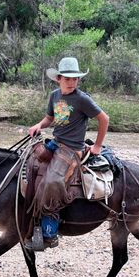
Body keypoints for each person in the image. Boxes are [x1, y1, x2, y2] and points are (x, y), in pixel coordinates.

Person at [26, 57, 109, 250]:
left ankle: (50, 233)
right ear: (59, 79)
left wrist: (97, 146)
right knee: (27, 164)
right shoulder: (55, 95)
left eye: (75, 79)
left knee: (53, 182)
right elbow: (50, 118)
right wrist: (39, 125)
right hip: (56, 143)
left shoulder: (82, 99)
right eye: (68, 79)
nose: (72, 82)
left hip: (72, 150)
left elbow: (104, 119)